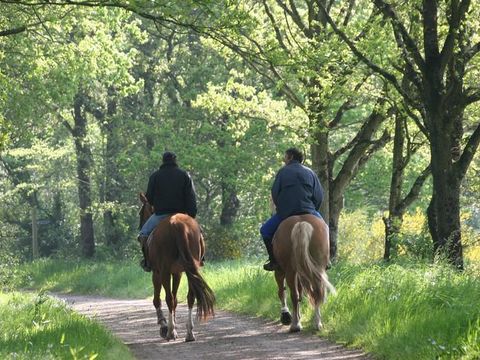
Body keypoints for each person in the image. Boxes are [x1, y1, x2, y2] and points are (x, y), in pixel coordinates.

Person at [260, 147, 324, 271]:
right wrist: (312, 210)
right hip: (309, 210)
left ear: (290, 157)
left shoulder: (282, 172)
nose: (284, 159)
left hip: (286, 213)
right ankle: (326, 258)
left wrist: (281, 209)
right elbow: (319, 195)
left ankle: (273, 261)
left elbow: (275, 193)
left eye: (285, 157)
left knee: (265, 231)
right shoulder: (311, 173)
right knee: (324, 228)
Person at [138, 151, 197, 272]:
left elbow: (149, 198)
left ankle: (147, 262)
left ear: (163, 161)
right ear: (175, 161)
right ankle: (200, 258)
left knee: (143, 234)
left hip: (161, 215)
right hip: (182, 214)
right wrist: (191, 216)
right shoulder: (185, 175)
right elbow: (191, 198)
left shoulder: (155, 176)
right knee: (199, 233)